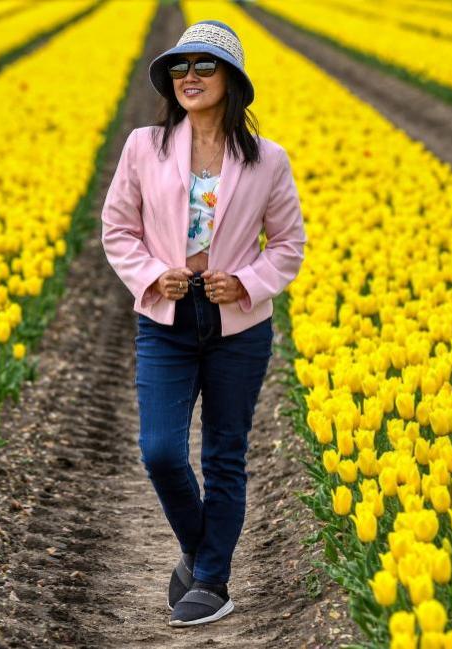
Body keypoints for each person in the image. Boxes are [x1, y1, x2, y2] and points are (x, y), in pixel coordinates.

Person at [100, 19, 305, 627]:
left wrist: (244, 282)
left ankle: (212, 581)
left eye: (204, 66)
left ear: (232, 80)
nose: (189, 77)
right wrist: (150, 274)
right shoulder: (145, 145)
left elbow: (288, 245)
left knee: (223, 455)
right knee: (161, 449)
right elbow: (118, 229)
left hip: (237, 325)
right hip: (165, 315)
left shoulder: (268, 160)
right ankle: (201, 550)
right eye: (180, 68)